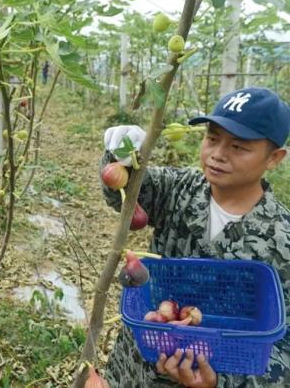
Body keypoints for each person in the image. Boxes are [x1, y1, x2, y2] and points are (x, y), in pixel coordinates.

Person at [100, 87, 290, 387]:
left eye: (238, 147)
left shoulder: (282, 240)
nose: (217, 154)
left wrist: (222, 381)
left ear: (275, 158)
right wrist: (121, 156)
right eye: (212, 138)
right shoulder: (180, 189)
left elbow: (283, 347)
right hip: (135, 370)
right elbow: (128, 197)